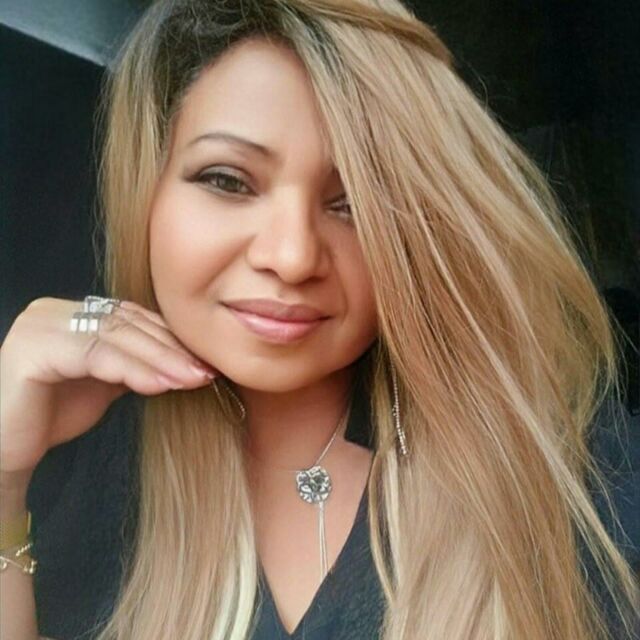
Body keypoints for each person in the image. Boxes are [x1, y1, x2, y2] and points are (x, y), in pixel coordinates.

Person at [1, 1, 638, 639]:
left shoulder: (566, 475)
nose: (293, 257)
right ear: (148, 186)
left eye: (355, 202)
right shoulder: (79, 455)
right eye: (228, 180)